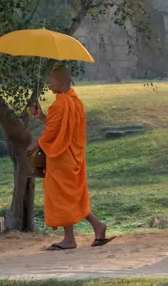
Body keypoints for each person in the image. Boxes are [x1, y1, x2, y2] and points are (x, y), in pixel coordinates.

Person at [29, 65, 112, 251]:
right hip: (75, 156)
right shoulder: (76, 101)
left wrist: (35, 145)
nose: (49, 84)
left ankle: (69, 239)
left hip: (61, 157)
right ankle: (98, 226)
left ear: (59, 82)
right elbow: (61, 127)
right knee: (74, 196)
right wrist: (41, 116)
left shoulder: (61, 103)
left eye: (50, 81)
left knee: (62, 196)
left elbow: (52, 132)